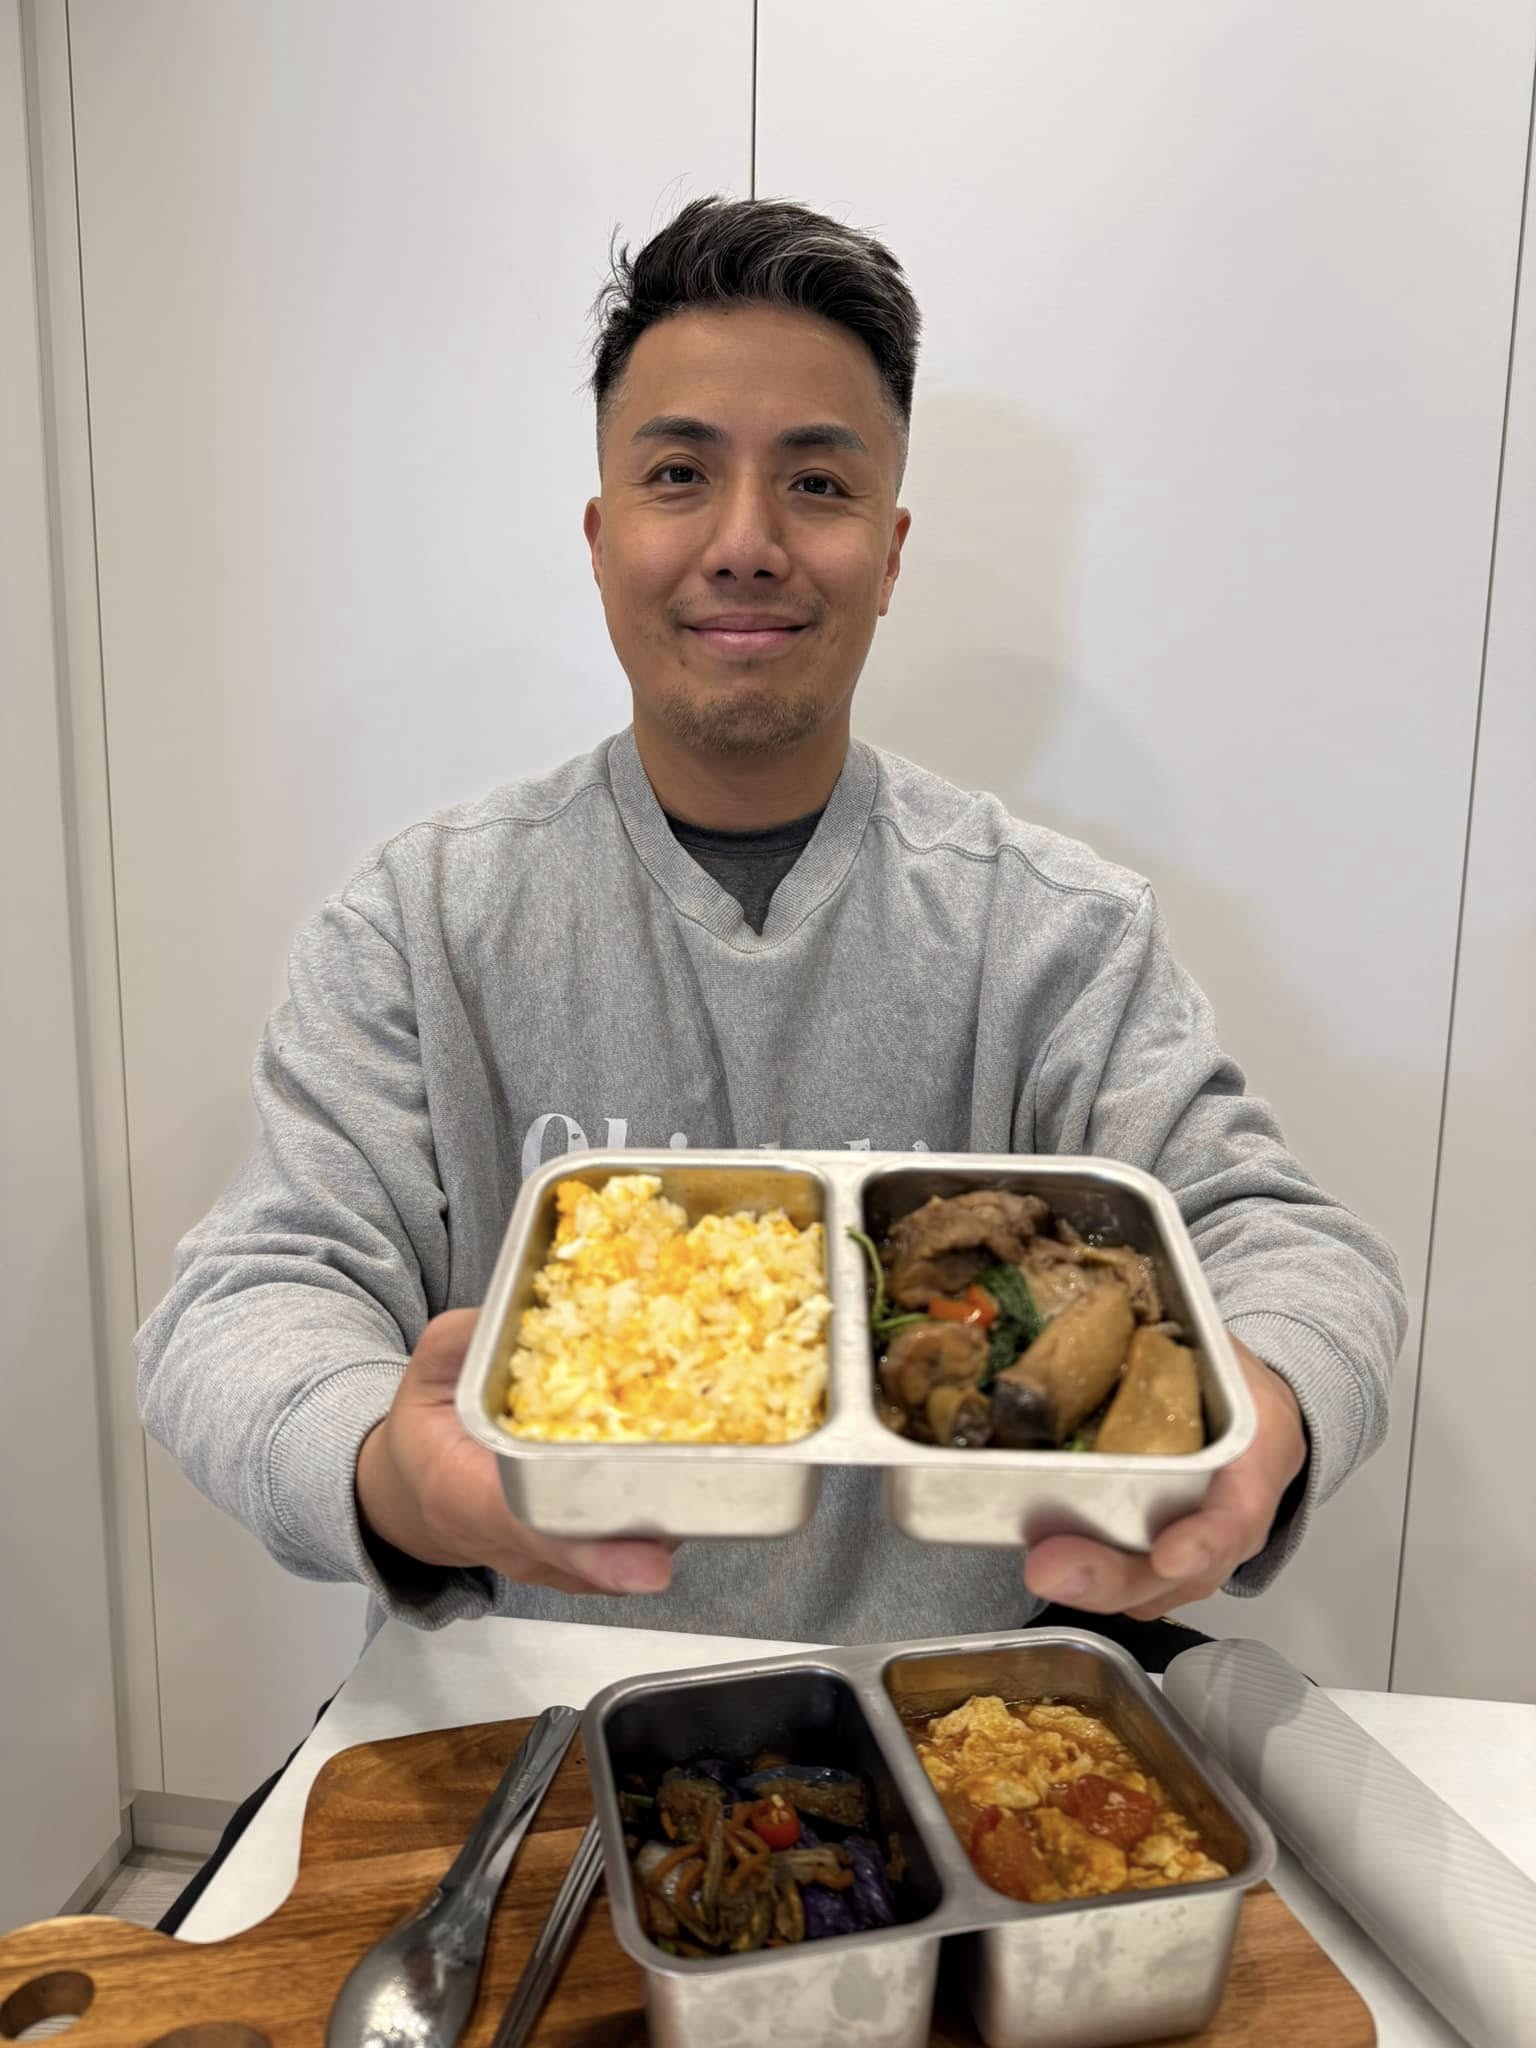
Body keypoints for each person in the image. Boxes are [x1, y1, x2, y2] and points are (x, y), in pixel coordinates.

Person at [137, 197, 1405, 1662]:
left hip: (949, 1704)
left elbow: (1289, 1244)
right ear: (603, 537)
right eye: (680, 474)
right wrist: (386, 1474)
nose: (745, 544)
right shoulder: (421, 921)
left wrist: (1264, 1412)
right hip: (523, 1697)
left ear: (892, 549)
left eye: (817, 483)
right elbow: (249, 1294)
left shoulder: (1056, 932)